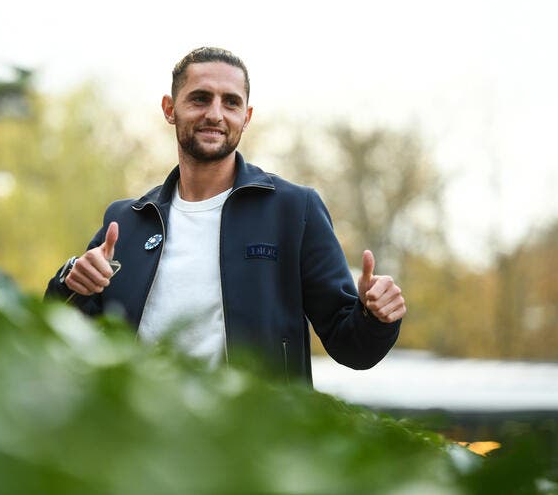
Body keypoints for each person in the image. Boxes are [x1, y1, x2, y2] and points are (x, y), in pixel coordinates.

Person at [45, 47, 405, 382]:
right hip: (139, 442)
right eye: (200, 98)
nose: (215, 114)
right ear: (170, 108)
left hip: (249, 444)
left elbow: (353, 348)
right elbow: (58, 337)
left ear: (246, 117)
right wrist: (70, 284)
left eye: (230, 103)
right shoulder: (125, 221)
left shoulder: (294, 211)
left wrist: (374, 316)